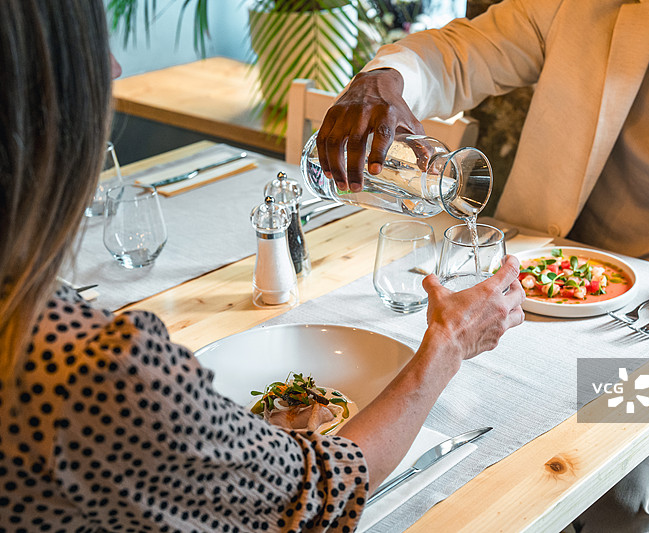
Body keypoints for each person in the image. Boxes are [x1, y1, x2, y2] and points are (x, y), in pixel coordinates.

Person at [0, 1, 526, 531]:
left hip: (579, 269)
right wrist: (450, 343)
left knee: (600, 417)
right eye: (93, 51)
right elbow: (318, 495)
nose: (114, 69)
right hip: (553, 314)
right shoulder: (97, 369)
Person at [314, 0, 649, 530]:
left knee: (625, 496)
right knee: (403, 421)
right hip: (535, 294)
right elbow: (456, 54)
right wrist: (385, 79)